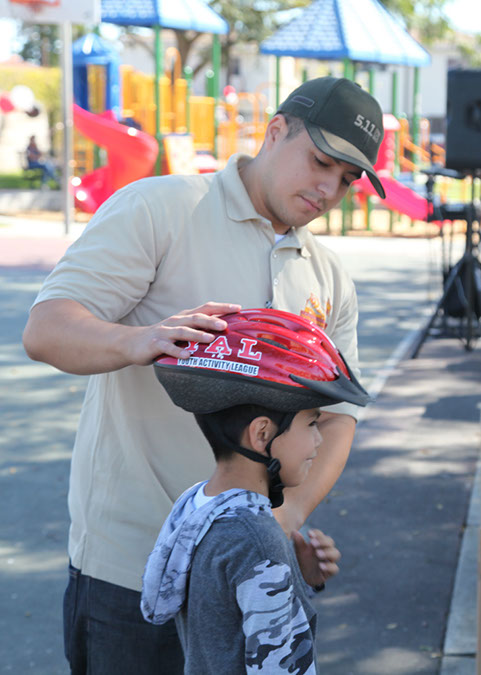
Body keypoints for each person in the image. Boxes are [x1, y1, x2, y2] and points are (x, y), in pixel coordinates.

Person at [22, 76, 385, 673]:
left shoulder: (328, 276)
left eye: (347, 179)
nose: (329, 187)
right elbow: (47, 328)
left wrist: (283, 522)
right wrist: (140, 339)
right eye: (320, 160)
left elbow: (337, 417)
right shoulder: (160, 208)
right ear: (274, 132)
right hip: (129, 572)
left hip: (247, 579)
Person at [141, 308, 370, 674]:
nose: (319, 438)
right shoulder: (257, 539)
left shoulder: (197, 504)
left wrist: (295, 575)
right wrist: (277, 563)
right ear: (262, 434)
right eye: (312, 423)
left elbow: (219, 611)